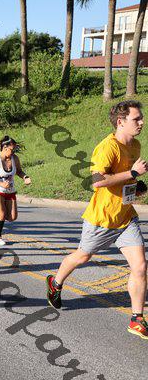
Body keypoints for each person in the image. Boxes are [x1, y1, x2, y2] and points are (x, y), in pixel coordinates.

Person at [47, 100, 148, 340]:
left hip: (125, 217)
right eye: (137, 119)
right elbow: (97, 181)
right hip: (102, 219)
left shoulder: (135, 145)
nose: (142, 122)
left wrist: (136, 186)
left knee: (140, 267)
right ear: (121, 122)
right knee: (83, 256)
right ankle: (55, 282)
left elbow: (124, 180)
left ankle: (136, 319)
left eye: (141, 118)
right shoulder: (107, 147)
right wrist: (133, 173)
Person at [0, 135, 31, 246]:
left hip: (10, 190)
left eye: (15, 149)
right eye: (12, 149)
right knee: (2, 214)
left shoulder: (15, 158)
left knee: (12, 217)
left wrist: (25, 177)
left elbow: (19, 171)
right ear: (5, 148)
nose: (14, 152)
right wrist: (1, 184)